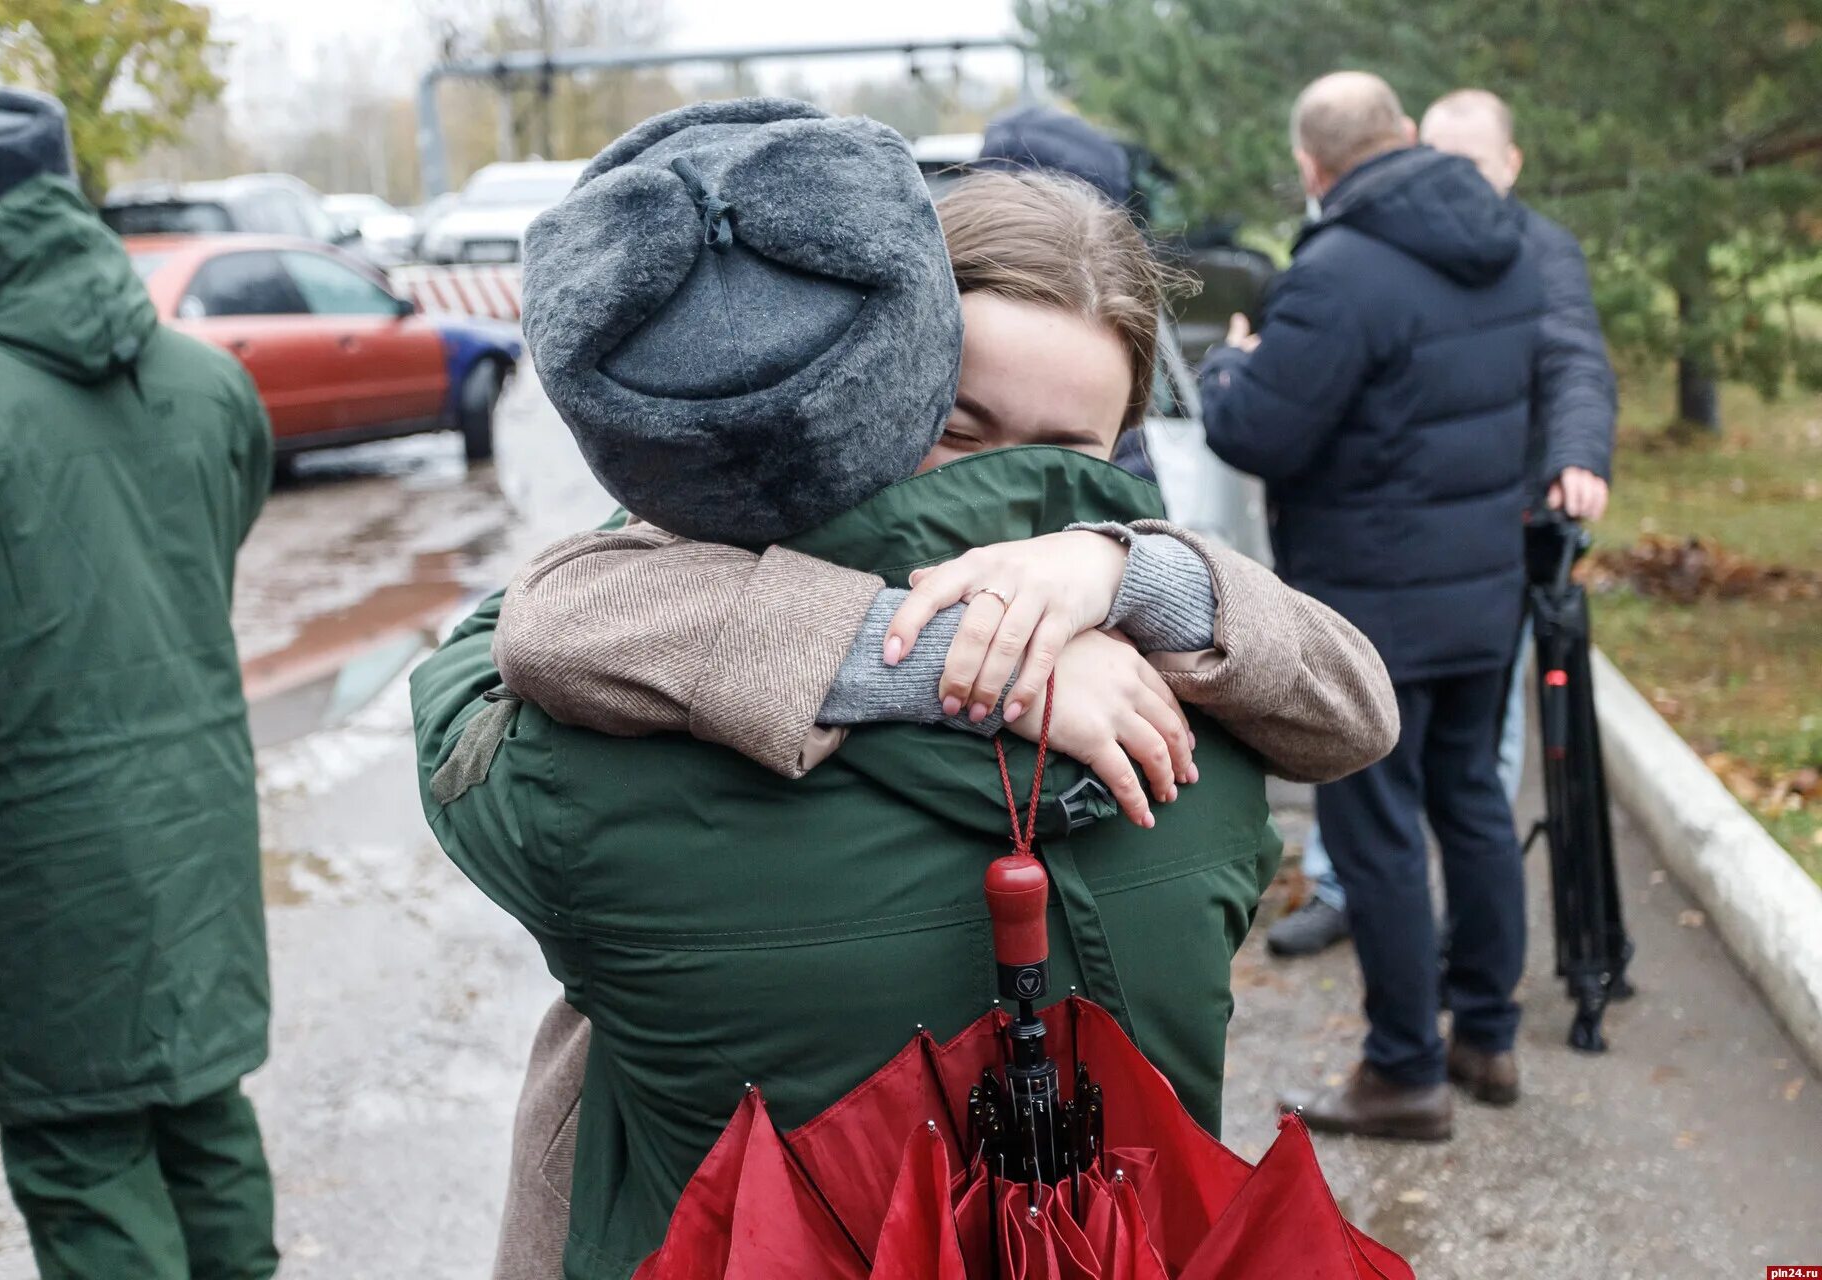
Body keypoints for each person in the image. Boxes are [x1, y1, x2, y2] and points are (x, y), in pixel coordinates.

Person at [415, 99, 1395, 1280]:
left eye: (1064, 456)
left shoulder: (602, 749)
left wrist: (1107, 571)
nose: (1010, 490)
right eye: (960, 430)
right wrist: (1039, 619)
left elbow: (500, 648)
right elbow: (1350, 709)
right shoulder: (1194, 723)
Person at [0, 86, 278, 1276]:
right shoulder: (211, 383)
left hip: (43, 870)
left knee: (84, 1161)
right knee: (207, 1124)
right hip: (199, 837)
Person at [1201, 71, 1542, 1140]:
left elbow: (1261, 433)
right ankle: (1486, 1032)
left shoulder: (1336, 273)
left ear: (1314, 167)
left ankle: (1404, 1068)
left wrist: (1228, 370)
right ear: (1402, 133)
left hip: (1373, 609)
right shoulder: (1505, 244)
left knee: (1381, 827)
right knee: (1474, 804)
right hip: (1485, 590)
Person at [1267, 86, 1618, 959]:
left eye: (1476, 164)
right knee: (1425, 780)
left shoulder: (1529, 249)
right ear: (1413, 143)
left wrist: (1575, 455)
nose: (1455, 177)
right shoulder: (1379, 251)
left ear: (1513, 164)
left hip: (1478, 540)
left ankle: (1436, 1009)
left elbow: (1573, 355)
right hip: (1439, 550)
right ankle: (1438, 978)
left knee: (1440, 780)